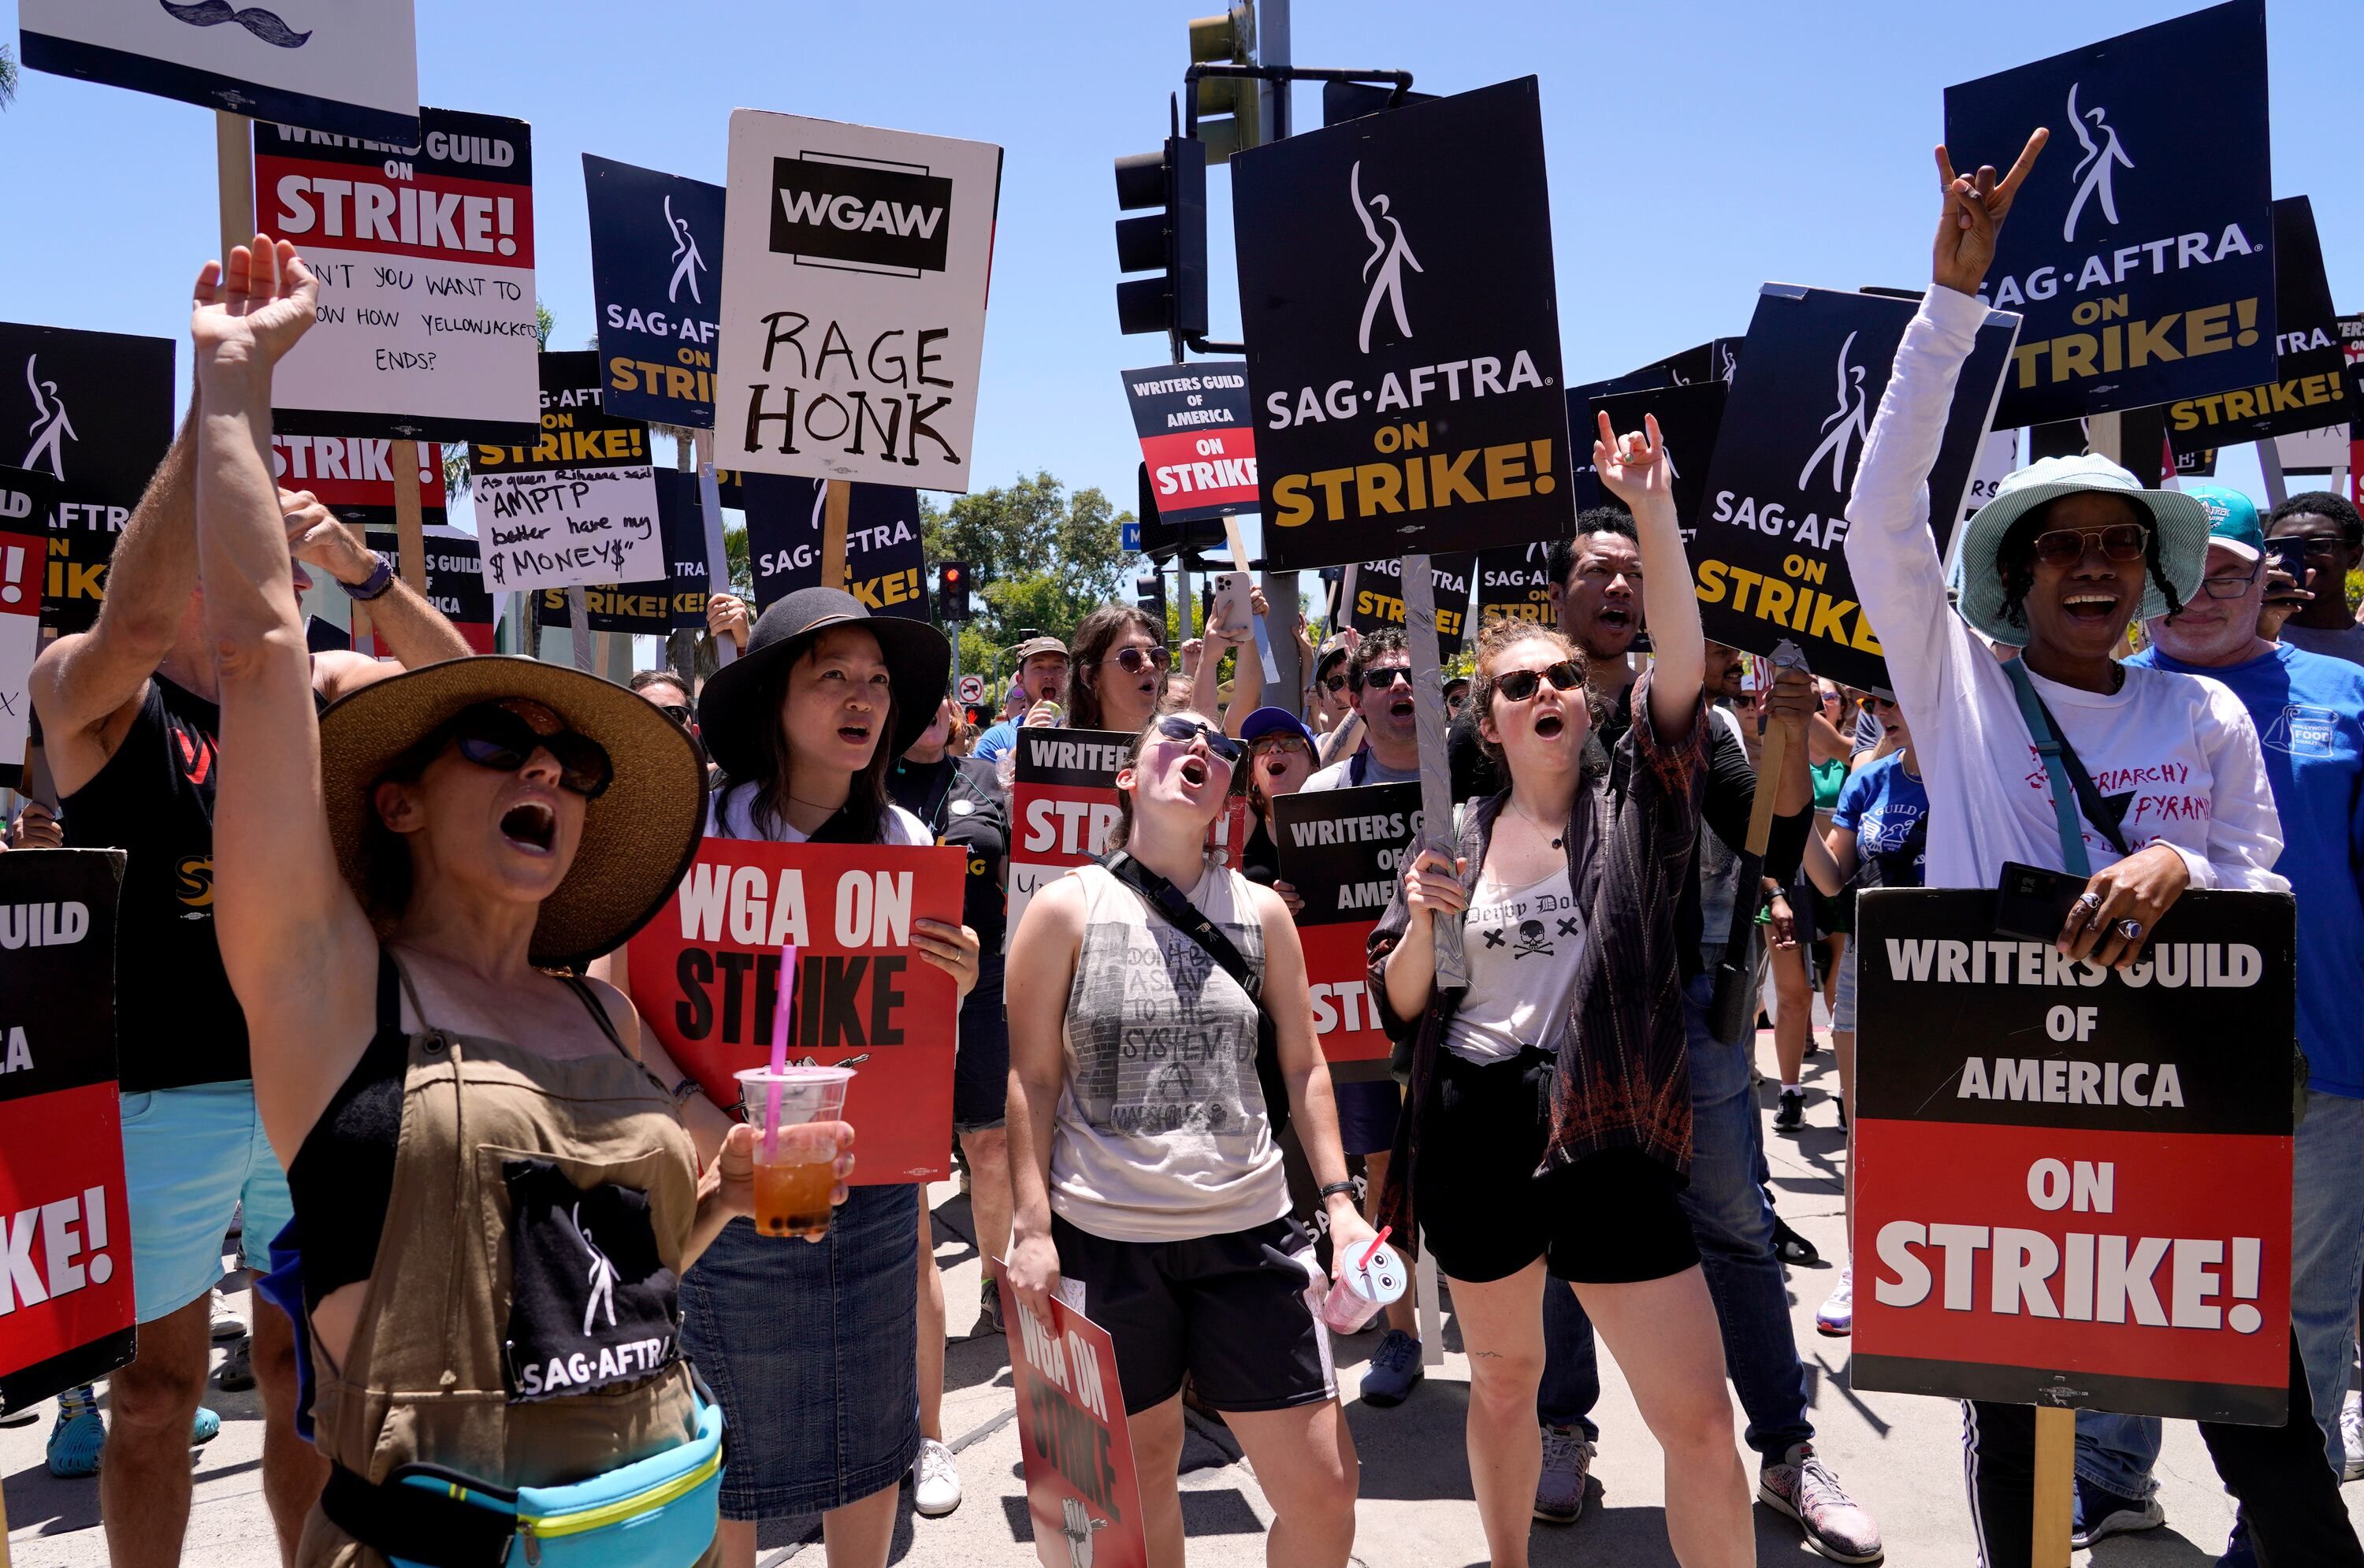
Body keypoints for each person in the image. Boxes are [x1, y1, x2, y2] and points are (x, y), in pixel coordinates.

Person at [183, 235, 850, 1568]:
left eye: (574, 760)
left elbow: (636, 1264)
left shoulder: (602, 1018)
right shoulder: (330, 987)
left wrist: (738, 1185)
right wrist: (234, 385)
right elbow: (262, 654)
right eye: (496, 745)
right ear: (398, 801)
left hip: (655, 1528)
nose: (545, 765)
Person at [1846, 132, 2361, 1568]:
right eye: (2059, 544)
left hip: (2182, 1125)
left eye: (2119, 548)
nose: (2090, 566)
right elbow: (1883, 517)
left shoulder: (2200, 709)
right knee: (2018, 1444)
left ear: (2152, 572)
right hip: (1997, 1123)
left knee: (2263, 1432)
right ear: (2014, 574)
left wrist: (2184, 868)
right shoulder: (1961, 688)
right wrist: (1951, 314)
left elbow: (2265, 874)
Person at [27, 255, 474, 1564]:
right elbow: (131, 623)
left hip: (318, 1085)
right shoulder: (93, 685)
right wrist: (222, 393)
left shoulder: (324, 689)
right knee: (157, 1394)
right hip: (157, 1095)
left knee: (308, 1378)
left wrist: (365, 571)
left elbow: (475, 688)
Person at [1447, 513, 1876, 1557]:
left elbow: (1771, 832)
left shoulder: (1685, 720)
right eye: (1597, 571)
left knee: (1734, 1230)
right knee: (1544, 1260)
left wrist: (1782, 727)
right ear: (1556, 598)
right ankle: (1563, 1431)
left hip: (1681, 1015)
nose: (1619, 587)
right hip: (1542, 1058)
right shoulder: (1494, 738)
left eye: (1638, 573)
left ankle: (1783, 1449)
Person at [1368, 414, 1754, 1568]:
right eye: (1520, 683)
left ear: (1588, 703)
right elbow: (1401, 1000)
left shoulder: (1641, 796)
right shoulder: (1456, 834)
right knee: (1502, 1381)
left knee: (1696, 1418)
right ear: (1488, 722)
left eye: (1564, 678)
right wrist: (1426, 917)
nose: (1548, 689)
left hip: (1610, 1131)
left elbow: (1680, 664)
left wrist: (1649, 511)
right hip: (1477, 1125)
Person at [1003, 707, 1371, 1568]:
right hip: (1103, 1243)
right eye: (1176, 732)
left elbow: (1305, 1065)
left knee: (1325, 1495)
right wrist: (1028, 1229)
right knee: (1125, 1496)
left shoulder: (1262, 914)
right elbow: (1030, 1079)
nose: (1200, 745)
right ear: (1129, 777)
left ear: (1229, 794)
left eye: (1219, 743)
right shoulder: (1065, 907)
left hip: (1252, 1237)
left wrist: (1344, 1208)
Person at [678, 585, 980, 1568]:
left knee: (869, 1427)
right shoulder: (694, 836)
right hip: (726, 1182)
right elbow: (625, 1001)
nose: (864, 698)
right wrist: (698, 1127)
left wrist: (957, 983)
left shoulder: (909, 846)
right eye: (834, 677)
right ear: (774, 699)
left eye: (879, 682)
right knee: (725, 1428)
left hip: (874, 1192)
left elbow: (912, 1030)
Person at [2115, 487, 2364, 1562]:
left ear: (2271, 578)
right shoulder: (2100, 695)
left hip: (2328, 1052)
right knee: (2120, 1289)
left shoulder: (2347, 695)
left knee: (2304, 1313)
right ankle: (2108, 1480)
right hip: (2137, 1061)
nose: (2200, 594)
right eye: (2179, 571)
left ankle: (2272, 1525)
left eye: (2226, 570)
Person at [1236, 704, 1425, 1397]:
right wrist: (1255, 895)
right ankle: (1400, 1331)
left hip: (1418, 1007)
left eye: (1291, 741)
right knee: (1381, 1169)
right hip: (1331, 1029)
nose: (1277, 751)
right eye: (1264, 747)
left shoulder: (1357, 801)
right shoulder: (1239, 839)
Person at [890, 693, 1013, 1519]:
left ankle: (1000, 1289)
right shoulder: (872, 792)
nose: (929, 706)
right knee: (911, 1174)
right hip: (894, 991)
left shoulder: (990, 782)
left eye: (943, 693)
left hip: (984, 980)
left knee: (990, 1144)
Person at [1800, 691, 1928, 1338]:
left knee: (1949, 1127)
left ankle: (1944, 1269)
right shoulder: (1870, 778)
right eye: (1880, 699)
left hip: (1952, 976)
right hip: (1868, 969)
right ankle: (1862, 1269)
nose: (1890, 708)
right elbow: (1831, 878)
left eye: (1903, 695)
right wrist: (1793, 814)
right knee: (1867, 1127)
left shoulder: (1983, 773)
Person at [1302, 630, 1420, 791]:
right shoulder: (1326, 781)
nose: (1400, 683)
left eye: (1410, 674)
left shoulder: (1457, 759)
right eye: (1337, 682)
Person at [2266, 492, 2364, 667]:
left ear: (2354, 556)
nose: (2301, 557)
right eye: (2281, 548)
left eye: (2318, 545)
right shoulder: (2240, 643)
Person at [972, 634, 1070, 761]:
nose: (1049, 675)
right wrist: (1024, 741)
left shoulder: (1086, 732)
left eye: (1057, 667)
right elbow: (989, 781)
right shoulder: (995, 740)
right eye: (1038, 667)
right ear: (1020, 680)